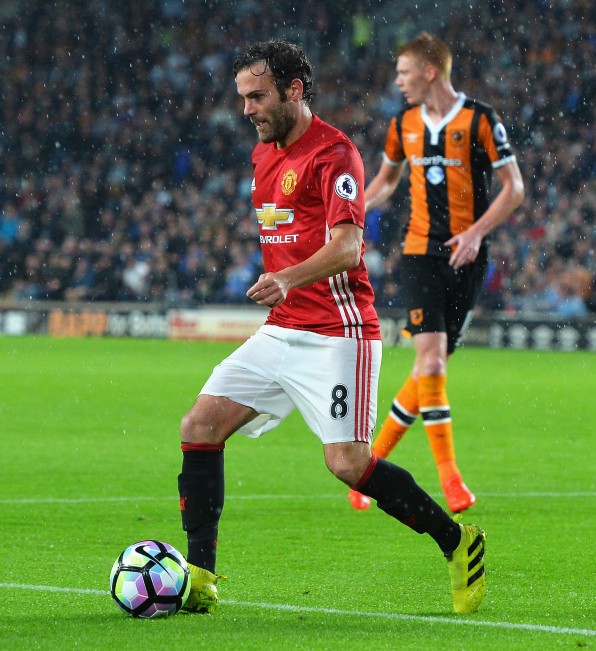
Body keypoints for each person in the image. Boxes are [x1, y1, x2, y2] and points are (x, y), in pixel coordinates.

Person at [176, 39, 486, 616]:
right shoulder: (262, 153)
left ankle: (457, 541)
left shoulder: (335, 154)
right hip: (282, 327)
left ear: (295, 90)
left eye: (258, 96)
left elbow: (347, 248)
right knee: (200, 425)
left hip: (338, 332)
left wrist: (289, 277)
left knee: (345, 463)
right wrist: (287, 288)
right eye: (242, 97)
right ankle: (201, 574)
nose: (247, 110)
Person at [348, 33, 525, 513]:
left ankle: (368, 468)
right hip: (421, 252)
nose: (399, 82)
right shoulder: (402, 123)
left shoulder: (481, 120)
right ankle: (451, 479)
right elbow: (385, 180)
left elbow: (514, 188)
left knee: (430, 368)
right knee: (432, 364)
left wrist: (475, 233)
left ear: (430, 70)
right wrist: (349, 214)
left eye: (405, 73)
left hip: (469, 257)